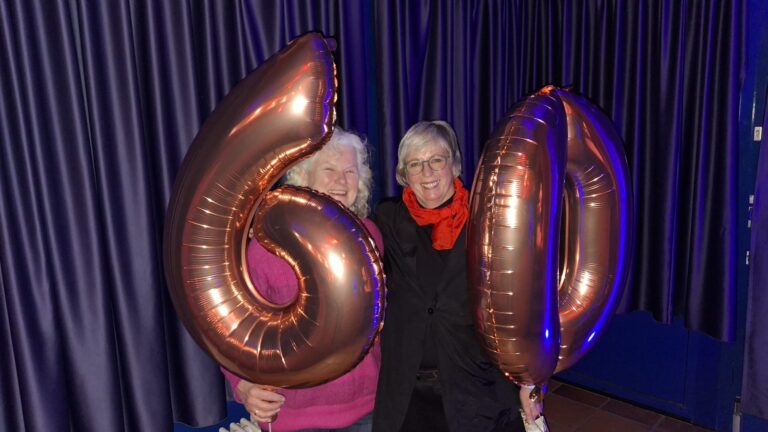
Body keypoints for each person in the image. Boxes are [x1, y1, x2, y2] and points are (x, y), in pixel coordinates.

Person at [371, 121, 543, 431]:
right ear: (403, 174)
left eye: (437, 159)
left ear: (455, 164)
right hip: (407, 393)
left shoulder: (488, 222)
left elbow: (522, 301)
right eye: (415, 163)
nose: (427, 172)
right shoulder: (387, 220)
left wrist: (528, 380)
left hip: (475, 389)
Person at [221, 127, 383, 432]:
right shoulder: (267, 246)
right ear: (303, 177)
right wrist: (242, 385)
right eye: (329, 170)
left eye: (350, 171)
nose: (341, 180)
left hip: (369, 409)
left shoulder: (371, 236)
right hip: (294, 417)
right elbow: (232, 328)